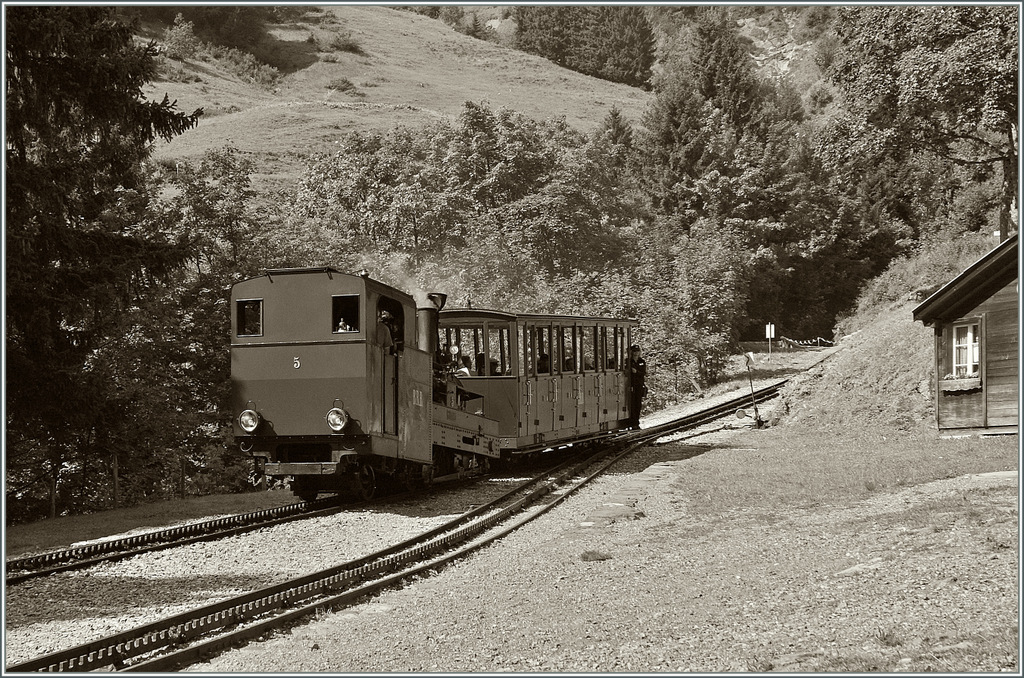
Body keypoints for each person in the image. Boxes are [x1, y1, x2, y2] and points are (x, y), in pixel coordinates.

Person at [628, 344, 647, 428]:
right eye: (634, 351)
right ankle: (633, 423)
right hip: (630, 385)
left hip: (639, 385)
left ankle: (636, 422)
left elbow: (643, 373)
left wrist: (636, 372)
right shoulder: (628, 361)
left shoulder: (641, 361)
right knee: (632, 404)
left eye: (637, 351)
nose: (636, 353)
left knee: (638, 404)